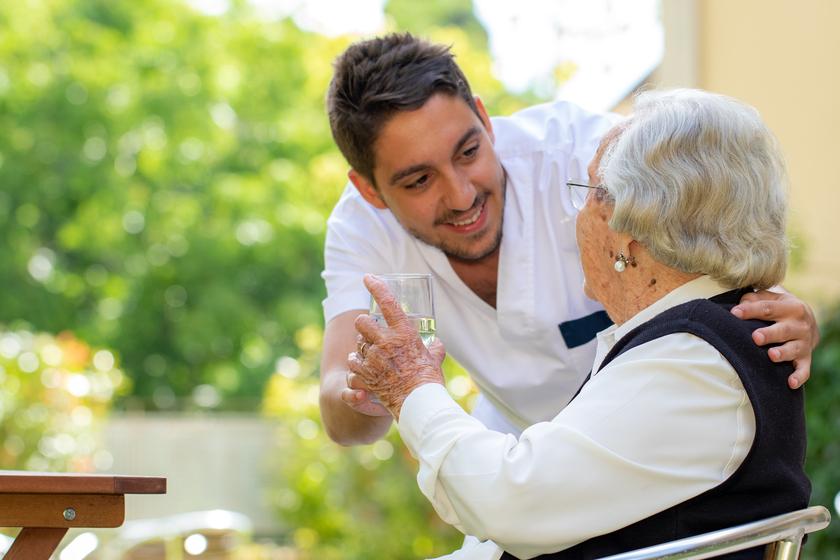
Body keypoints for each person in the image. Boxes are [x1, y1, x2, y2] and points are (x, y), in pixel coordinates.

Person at [347, 88, 811, 560]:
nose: (574, 216)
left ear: (627, 234)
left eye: (586, 194)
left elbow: (507, 501)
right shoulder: (691, 345)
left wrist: (412, 386)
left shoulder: (694, 362)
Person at [320, 32, 819, 446]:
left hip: (652, 438)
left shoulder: (588, 160)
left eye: (468, 151)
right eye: (418, 181)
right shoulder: (362, 232)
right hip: (522, 450)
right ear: (369, 189)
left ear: (484, 118)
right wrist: (371, 390)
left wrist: (783, 313)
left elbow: (721, 245)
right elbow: (339, 410)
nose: (461, 194)